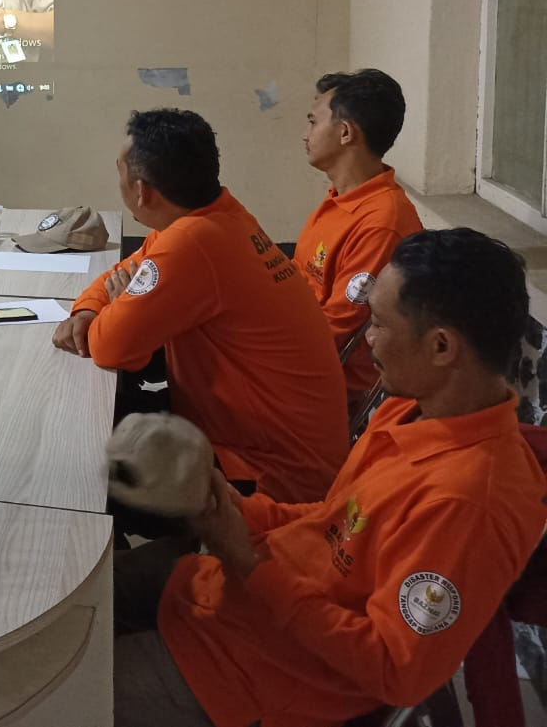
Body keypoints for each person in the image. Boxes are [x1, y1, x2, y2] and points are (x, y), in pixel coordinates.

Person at [114, 229, 547, 727]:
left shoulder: (468, 502)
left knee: (48, 687)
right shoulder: (410, 411)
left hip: (255, 679)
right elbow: (335, 522)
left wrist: (249, 563)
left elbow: (395, 669)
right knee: (85, 598)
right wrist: (231, 508)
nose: (368, 337)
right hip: (228, 591)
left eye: (380, 324)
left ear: (442, 346)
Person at [53, 109, 347, 503]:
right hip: (273, 444)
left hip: (271, 474)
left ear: (142, 191)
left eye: (119, 170)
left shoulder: (192, 242)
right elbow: (125, 269)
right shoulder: (216, 215)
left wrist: (117, 305)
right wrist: (88, 309)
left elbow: (110, 346)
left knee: (82, 468)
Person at [297, 69, 423, 399]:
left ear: (345, 133)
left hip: (335, 387)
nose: (305, 133)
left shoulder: (382, 222)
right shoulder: (341, 198)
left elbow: (335, 330)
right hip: (302, 350)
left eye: (313, 122)